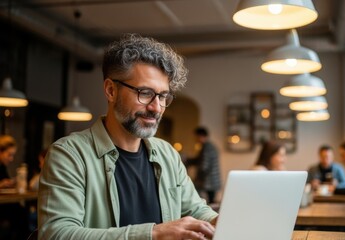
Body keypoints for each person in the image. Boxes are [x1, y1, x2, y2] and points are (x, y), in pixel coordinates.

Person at [38, 34, 217, 240]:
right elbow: (56, 234)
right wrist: (153, 234)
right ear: (111, 90)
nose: (156, 107)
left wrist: (221, 222)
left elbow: (196, 210)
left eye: (162, 96)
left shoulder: (167, 154)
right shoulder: (69, 155)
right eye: (145, 93)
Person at [0, 135, 28, 240]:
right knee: (19, 212)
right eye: (9, 155)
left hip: (4, 203)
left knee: (20, 210)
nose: (11, 159)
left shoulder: (2, 166)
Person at [185, 127, 222, 204]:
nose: (195, 139)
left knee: (209, 201)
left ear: (200, 136)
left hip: (209, 180)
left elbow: (204, 165)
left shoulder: (207, 147)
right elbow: (199, 160)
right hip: (211, 180)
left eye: (196, 137)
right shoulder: (210, 146)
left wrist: (197, 178)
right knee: (211, 200)